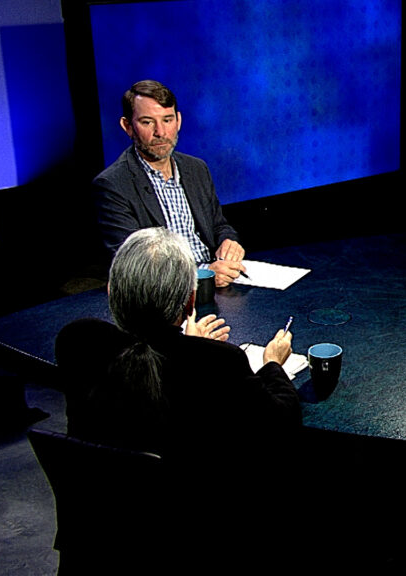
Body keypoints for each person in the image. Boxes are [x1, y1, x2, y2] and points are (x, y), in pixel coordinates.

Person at [53, 227, 301, 569]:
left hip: (95, 543)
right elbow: (282, 421)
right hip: (186, 545)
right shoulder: (218, 363)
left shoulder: (78, 342)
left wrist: (188, 341)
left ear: (111, 291)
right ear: (189, 302)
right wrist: (273, 364)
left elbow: (149, 358)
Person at [92, 79, 247, 287]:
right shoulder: (113, 185)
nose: (161, 132)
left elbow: (219, 225)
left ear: (179, 121)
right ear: (128, 126)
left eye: (167, 120)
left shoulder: (196, 169)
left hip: (218, 282)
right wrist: (203, 275)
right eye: (147, 122)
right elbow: (134, 266)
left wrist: (229, 242)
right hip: (168, 295)